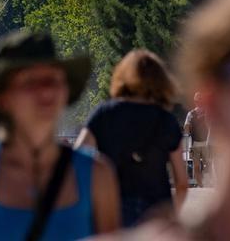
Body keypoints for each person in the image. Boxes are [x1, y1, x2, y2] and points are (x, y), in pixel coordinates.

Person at [99, 0, 230, 240]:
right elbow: (182, 181)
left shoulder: (107, 116)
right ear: (213, 100)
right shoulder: (163, 121)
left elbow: (83, 160)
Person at [0, 30, 120, 240]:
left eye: (53, 80)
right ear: (3, 98)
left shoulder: (98, 175)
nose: (46, 92)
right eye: (30, 82)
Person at [75, 49, 187, 226]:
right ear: (161, 80)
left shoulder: (104, 113)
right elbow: (181, 183)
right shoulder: (166, 119)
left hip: (112, 214)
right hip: (156, 218)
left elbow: (77, 156)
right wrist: (172, 218)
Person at [182, 92, 209, 187]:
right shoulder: (192, 113)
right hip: (198, 143)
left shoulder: (196, 113)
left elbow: (186, 128)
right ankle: (202, 185)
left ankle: (203, 184)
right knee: (201, 165)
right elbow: (186, 128)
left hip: (203, 143)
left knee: (201, 166)